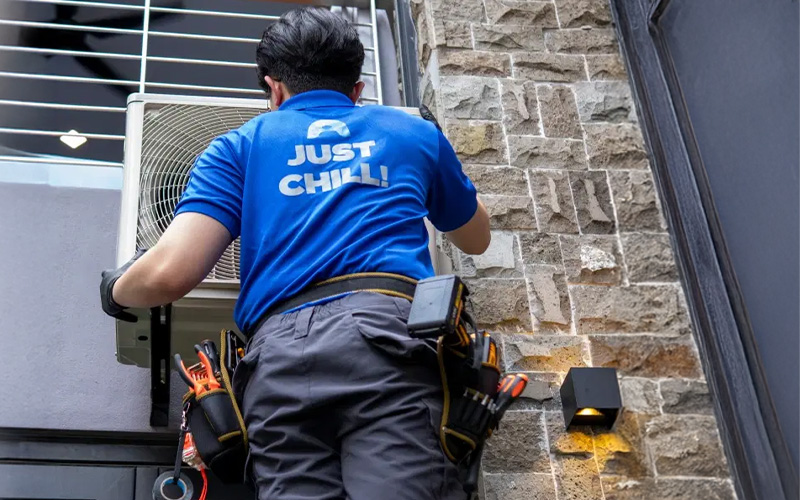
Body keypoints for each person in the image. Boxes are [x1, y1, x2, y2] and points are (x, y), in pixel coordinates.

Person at [100, 7, 490, 500]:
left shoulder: (238, 146)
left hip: (281, 359)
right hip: (391, 338)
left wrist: (116, 288)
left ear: (274, 88)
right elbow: (476, 238)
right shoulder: (412, 133)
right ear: (357, 89)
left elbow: (170, 272)